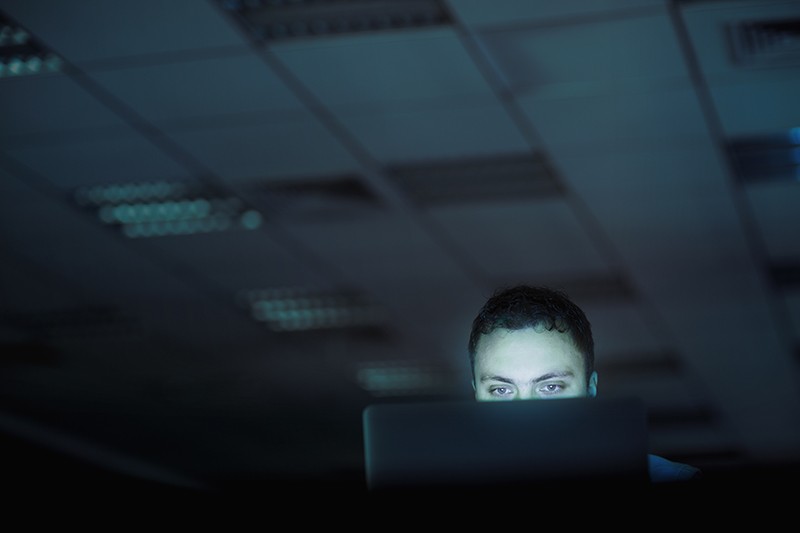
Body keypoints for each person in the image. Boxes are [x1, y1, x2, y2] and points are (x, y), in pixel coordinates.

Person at [468, 284, 702, 484]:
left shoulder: (669, 481)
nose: (525, 412)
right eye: (501, 390)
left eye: (551, 387)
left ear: (590, 389)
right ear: (476, 394)